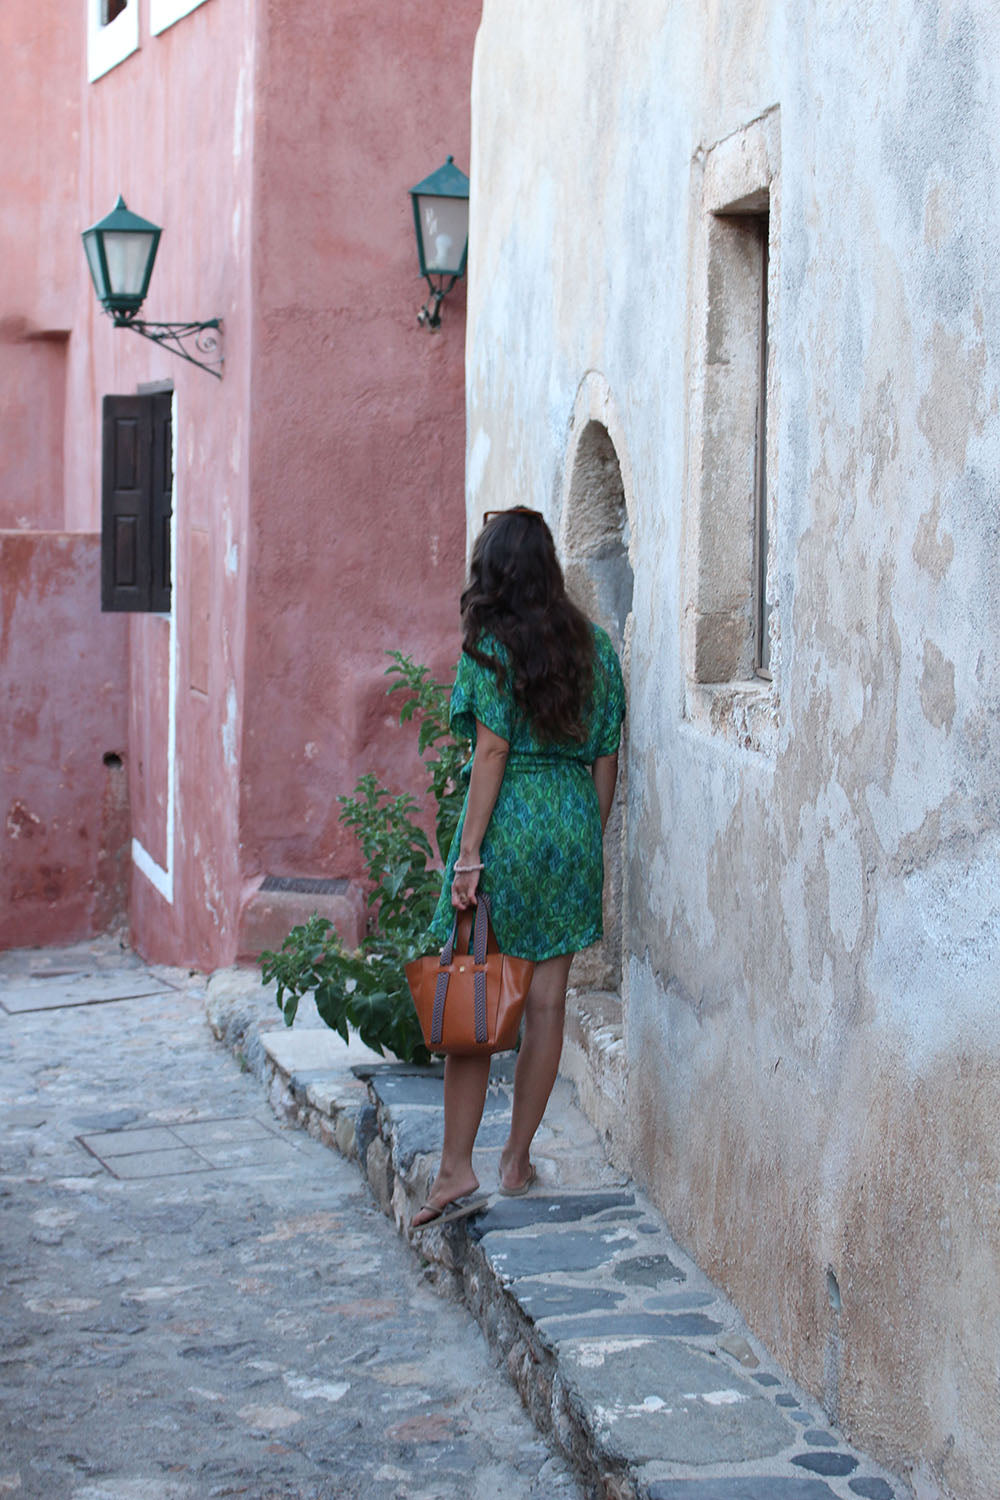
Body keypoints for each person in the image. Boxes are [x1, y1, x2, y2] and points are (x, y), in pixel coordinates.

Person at [411, 506, 626, 1228]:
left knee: (473, 994)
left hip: (507, 827)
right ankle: (517, 1159)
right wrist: (582, 838)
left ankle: (454, 1167)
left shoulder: (489, 650)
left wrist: (469, 854)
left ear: (494, 571)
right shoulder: (596, 648)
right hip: (570, 821)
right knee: (545, 1005)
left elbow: (492, 754)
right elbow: (606, 759)